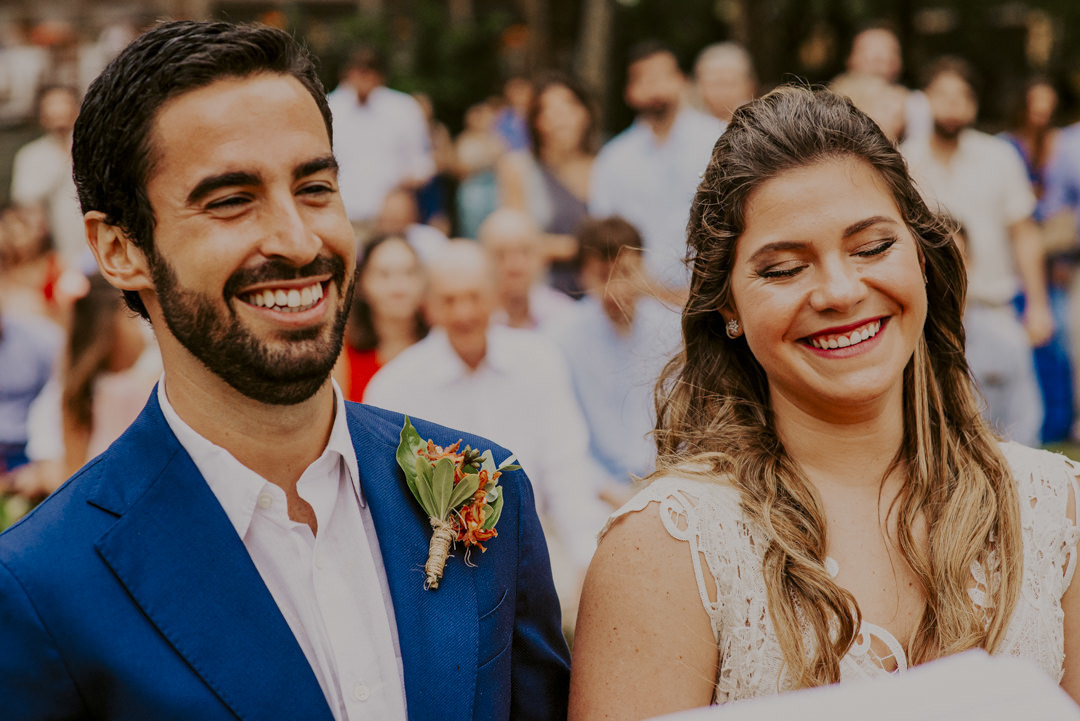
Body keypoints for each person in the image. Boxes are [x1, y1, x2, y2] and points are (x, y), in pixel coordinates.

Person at [0, 21, 570, 721]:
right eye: (231, 199)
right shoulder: (42, 587)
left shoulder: (485, 486)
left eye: (315, 187)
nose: (299, 241)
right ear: (120, 248)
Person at [568, 87, 1080, 720]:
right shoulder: (667, 550)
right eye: (783, 269)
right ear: (727, 304)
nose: (839, 291)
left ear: (922, 257)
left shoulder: (1054, 511)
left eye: (871, 248)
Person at [364, 239, 610, 627]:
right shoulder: (394, 387)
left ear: (495, 295)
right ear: (428, 305)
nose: (463, 312)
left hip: (536, 540)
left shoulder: (539, 360)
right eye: (449, 300)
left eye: (474, 297)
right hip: (440, 558)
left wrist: (587, 555)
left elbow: (567, 469)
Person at [902, 57, 1051, 447]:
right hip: (925, 311)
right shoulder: (902, 161)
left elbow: (1024, 233)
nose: (952, 105)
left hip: (991, 304)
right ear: (926, 99)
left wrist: (1037, 304)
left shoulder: (999, 157)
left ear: (974, 104)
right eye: (943, 95)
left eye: (962, 96)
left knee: (1010, 425)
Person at [550, 216, 680, 499]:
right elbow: (561, 434)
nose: (615, 289)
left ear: (642, 270)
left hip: (672, 481)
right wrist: (605, 490)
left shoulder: (674, 331)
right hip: (593, 491)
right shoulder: (561, 340)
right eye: (602, 275)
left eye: (624, 272)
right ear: (583, 275)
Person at [590, 40, 724, 301]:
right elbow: (606, 234)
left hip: (713, 292)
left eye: (662, 76)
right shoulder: (613, 159)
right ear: (629, 91)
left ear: (682, 80)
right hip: (639, 299)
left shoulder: (718, 141)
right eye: (644, 79)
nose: (655, 87)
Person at [497, 72, 596, 296]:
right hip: (545, 293)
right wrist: (587, 248)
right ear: (536, 121)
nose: (560, 118)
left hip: (604, 294)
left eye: (568, 106)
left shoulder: (607, 166)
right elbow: (517, 241)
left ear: (586, 113)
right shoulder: (519, 169)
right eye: (547, 110)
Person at [327, 44, 434, 233]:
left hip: (391, 220)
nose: (364, 77)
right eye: (358, 70)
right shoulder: (328, 108)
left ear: (380, 75)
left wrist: (402, 190)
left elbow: (422, 163)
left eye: (369, 70)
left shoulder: (403, 108)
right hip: (340, 217)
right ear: (347, 72)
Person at [339, 233, 427, 401]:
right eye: (384, 275)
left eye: (409, 273)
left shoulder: (441, 348)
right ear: (363, 283)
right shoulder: (344, 358)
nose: (398, 286)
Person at [10, 84, 87, 270]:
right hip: (52, 259)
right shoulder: (30, 156)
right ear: (42, 115)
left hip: (95, 252)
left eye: (64, 104)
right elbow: (25, 206)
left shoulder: (91, 150)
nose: (59, 112)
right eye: (52, 106)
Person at [478, 208, 576, 332]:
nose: (514, 266)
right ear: (485, 261)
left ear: (541, 258)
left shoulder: (565, 315)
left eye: (524, 252)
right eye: (501, 255)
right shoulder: (475, 322)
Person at [693, 42, 757, 124]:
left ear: (750, 86)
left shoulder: (763, 125)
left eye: (729, 84)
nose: (722, 93)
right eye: (715, 84)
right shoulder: (685, 126)